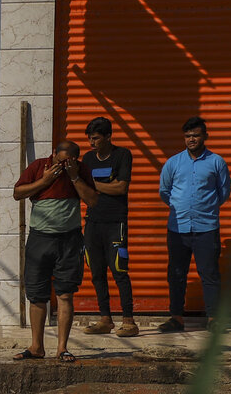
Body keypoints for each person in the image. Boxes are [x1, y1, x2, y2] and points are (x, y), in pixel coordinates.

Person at [12, 140, 98, 362]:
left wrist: (74, 176)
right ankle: (36, 347)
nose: (63, 165)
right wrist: (45, 180)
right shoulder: (39, 167)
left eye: (69, 161)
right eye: (60, 160)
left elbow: (92, 200)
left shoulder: (80, 171)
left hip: (69, 240)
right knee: (37, 295)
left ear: (75, 160)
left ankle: (62, 348)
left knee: (65, 293)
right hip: (40, 239)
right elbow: (18, 193)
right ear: (53, 154)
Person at [158, 116, 231, 331]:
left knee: (209, 273)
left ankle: (213, 319)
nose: (192, 139)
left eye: (196, 135)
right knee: (176, 274)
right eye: (188, 136)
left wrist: (207, 208)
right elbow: (164, 191)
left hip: (206, 228)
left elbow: (223, 192)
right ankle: (176, 318)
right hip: (177, 227)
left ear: (205, 136)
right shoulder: (173, 162)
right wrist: (179, 206)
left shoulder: (216, 162)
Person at [80, 117, 138, 336]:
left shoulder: (122, 155)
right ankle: (105, 318)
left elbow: (121, 188)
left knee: (119, 270)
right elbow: (84, 191)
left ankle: (129, 320)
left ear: (107, 136)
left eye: (95, 138)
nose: (91, 143)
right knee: (96, 272)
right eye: (89, 139)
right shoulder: (87, 158)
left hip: (116, 222)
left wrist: (93, 185)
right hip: (92, 222)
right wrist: (106, 186)